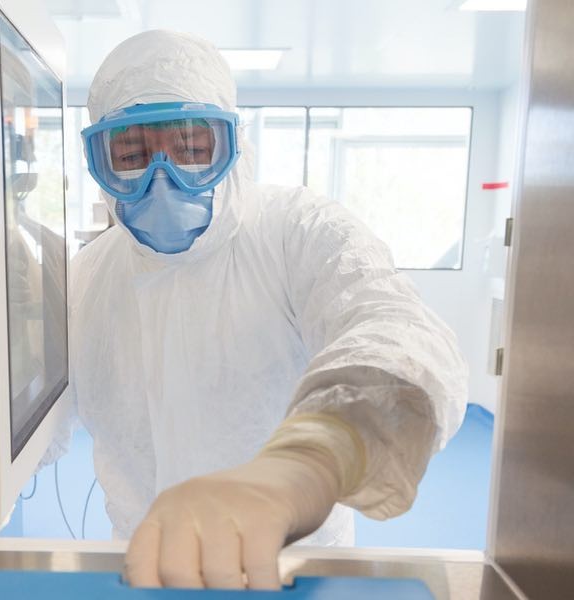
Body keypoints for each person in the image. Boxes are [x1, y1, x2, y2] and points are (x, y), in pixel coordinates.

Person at [52, 29, 467, 590]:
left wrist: (305, 464)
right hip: (145, 564)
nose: (162, 180)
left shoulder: (298, 232)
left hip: (295, 562)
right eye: (131, 154)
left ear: (233, 147)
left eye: (191, 149)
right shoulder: (85, 280)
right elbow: (31, 420)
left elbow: (397, 333)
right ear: (99, 164)